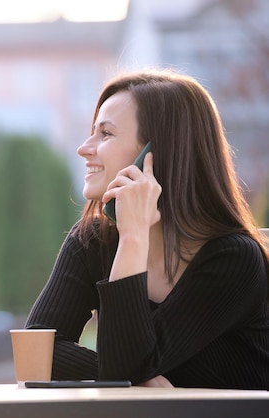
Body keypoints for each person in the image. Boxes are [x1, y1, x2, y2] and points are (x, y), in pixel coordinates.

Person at [25, 69, 269, 389]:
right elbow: (35, 354)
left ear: (155, 155)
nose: (84, 148)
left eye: (106, 134)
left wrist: (134, 236)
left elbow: (125, 367)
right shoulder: (92, 242)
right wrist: (139, 378)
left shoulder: (233, 259)